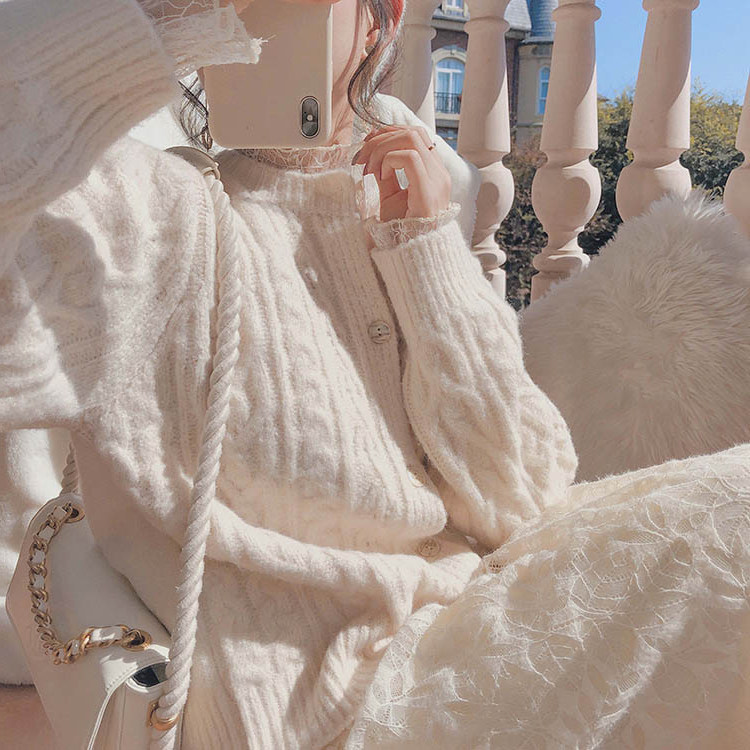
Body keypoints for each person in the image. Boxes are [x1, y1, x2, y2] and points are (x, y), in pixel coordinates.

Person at [0, 1, 748, 749]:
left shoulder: (408, 203)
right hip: (322, 704)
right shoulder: (152, 212)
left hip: (465, 621)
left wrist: (426, 252)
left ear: (378, 19)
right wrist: (157, 21)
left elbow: (522, 497)